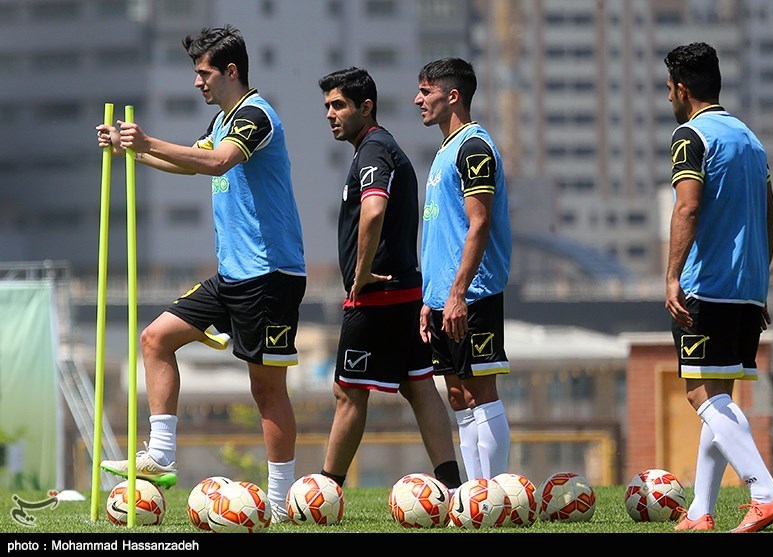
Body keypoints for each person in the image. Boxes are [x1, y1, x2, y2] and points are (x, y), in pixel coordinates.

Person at [95, 25, 306, 522]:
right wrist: (133, 149)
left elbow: (215, 163)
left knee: (266, 389)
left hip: (271, 275)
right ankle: (162, 451)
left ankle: (280, 503)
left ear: (231, 71)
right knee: (155, 339)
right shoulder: (224, 119)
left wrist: (148, 139)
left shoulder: (255, 115)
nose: (197, 82)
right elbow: (189, 163)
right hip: (233, 275)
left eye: (203, 72)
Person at [664, 42, 773, 533]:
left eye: (668, 88)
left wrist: (673, 276)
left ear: (681, 88)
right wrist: (757, 283)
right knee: (719, 395)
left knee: (702, 396)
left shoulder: (690, 136)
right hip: (747, 289)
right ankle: (700, 512)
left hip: (707, 286)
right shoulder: (749, 138)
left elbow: (687, 207)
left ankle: (764, 490)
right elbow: (772, 213)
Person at [316, 67, 462, 492]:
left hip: (377, 299)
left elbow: (374, 209)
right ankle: (452, 488)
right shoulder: (377, 148)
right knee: (419, 386)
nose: (330, 114)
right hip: (405, 292)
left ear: (367, 107)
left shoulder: (375, 150)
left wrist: (360, 273)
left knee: (348, 392)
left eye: (339, 105)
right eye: (327, 106)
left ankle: (326, 492)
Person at [414, 58, 512, 481]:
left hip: (472, 295)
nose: (418, 100)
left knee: (481, 392)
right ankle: (475, 495)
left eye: (425, 91)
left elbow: (480, 222)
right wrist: (429, 299)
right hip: (441, 298)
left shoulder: (474, 147)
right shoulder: (443, 152)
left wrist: (456, 294)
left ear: (452, 96)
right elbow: (441, 234)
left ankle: (494, 498)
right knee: (456, 393)